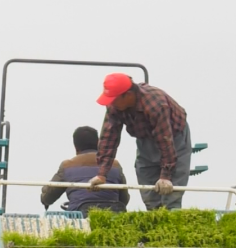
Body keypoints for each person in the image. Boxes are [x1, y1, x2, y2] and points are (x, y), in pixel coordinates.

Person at [88, 73, 191, 211]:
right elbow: (108, 138)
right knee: (149, 193)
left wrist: (166, 175)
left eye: (114, 99)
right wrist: (102, 174)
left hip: (174, 138)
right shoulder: (114, 107)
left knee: (170, 195)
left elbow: (165, 140)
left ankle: (173, 220)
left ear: (128, 95)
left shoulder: (155, 104)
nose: (111, 103)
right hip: (145, 140)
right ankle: (154, 222)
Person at [40, 126, 129, 215]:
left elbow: (47, 198)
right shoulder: (114, 164)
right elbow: (124, 199)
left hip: (79, 216)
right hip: (113, 215)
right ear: (98, 143)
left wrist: (44, 191)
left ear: (75, 146)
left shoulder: (67, 166)